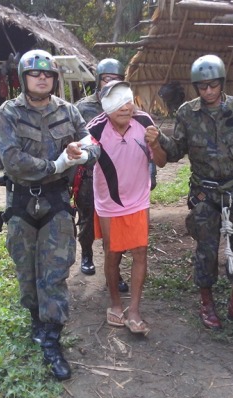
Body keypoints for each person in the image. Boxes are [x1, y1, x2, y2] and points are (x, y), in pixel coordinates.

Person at [0, 49, 100, 381]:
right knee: (27, 273)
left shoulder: (68, 111)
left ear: (55, 79)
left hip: (55, 203)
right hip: (21, 203)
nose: (42, 78)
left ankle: (52, 341)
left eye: (48, 74)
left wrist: (80, 153)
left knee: (53, 274)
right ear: (23, 78)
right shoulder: (8, 113)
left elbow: (92, 144)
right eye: (35, 74)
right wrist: (55, 165)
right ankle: (36, 321)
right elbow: (12, 160)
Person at [154, 54, 233, 333]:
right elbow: (175, 152)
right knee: (206, 251)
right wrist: (158, 138)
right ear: (196, 87)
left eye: (213, 85)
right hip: (204, 193)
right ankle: (207, 304)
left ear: (221, 83)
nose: (208, 91)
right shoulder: (186, 113)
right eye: (202, 86)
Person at [87, 80, 165, 335]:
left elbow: (162, 162)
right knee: (112, 253)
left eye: (128, 99)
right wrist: (77, 152)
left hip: (138, 200)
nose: (125, 106)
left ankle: (134, 310)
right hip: (109, 203)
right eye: (118, 102)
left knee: (140, 252)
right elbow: (84, 154)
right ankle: (115, 304)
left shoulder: (144, 122)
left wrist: (155, 144)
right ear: (106, 106)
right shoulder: (95, 129)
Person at [73, 58, 129, 293]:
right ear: (98, 81)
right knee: (86, 219)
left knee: (116, 225)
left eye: (116, 80)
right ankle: (86, 255)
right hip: (88, 174)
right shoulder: (82, 107)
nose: (110, 84)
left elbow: (141, 138)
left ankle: (113, 272)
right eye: (106, 79)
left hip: (117, 176)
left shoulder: (127, 105)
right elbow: (72, 139)